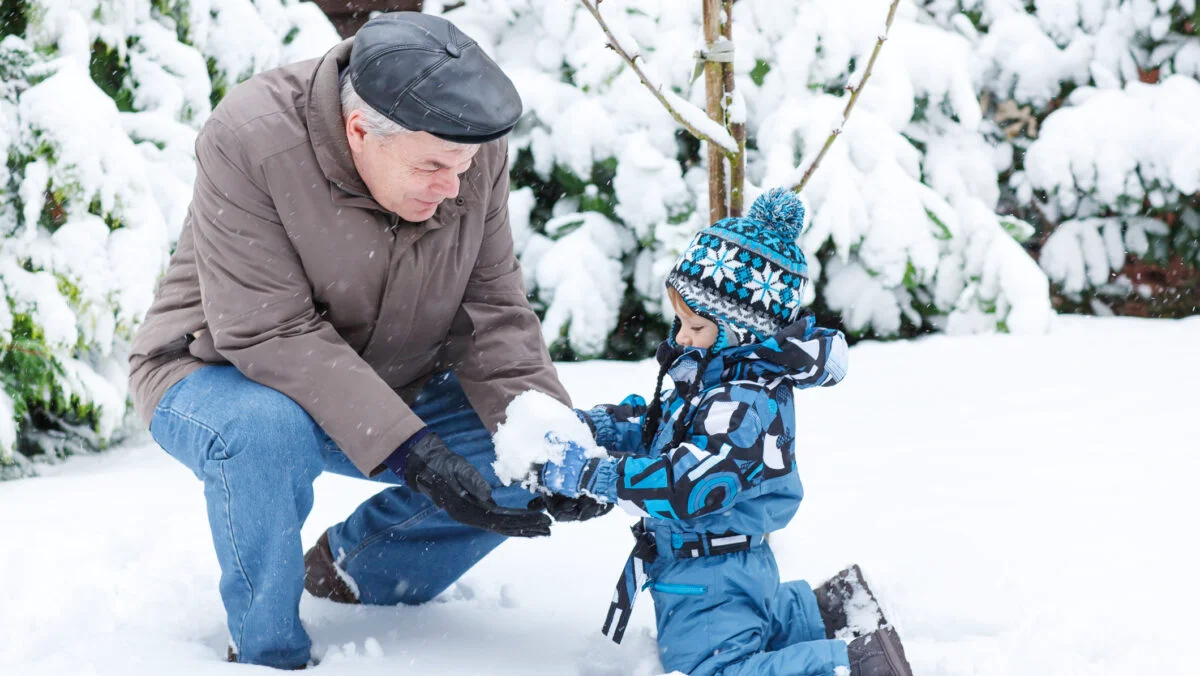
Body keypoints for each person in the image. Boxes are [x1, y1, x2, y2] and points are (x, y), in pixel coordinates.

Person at [128, 12, 608, 670]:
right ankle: (266, 652)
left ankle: (351, 574)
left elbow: (492, 307)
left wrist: (551, 440)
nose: (454, 188)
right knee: (267, 431)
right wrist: (410, 449)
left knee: (522, 450)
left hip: (390, 378)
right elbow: (268, 330)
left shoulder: (463, 147)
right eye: (435, 167)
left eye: (465, 166)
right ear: (360, 130)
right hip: (221, 369)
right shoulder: (252, 138)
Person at [533, 189, 915, 675]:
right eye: (679, 322)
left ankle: (858, 667)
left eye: (695, 325)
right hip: (719, 566)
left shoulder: (739, 406)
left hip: (708, 572)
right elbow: (659, 426)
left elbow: (685, 485)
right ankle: (832, 609)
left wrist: (594, 475)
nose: (680, 337)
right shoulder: (719, 382)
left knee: (714, 668)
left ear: (740, 333)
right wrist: (596, 427)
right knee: (749, 618)